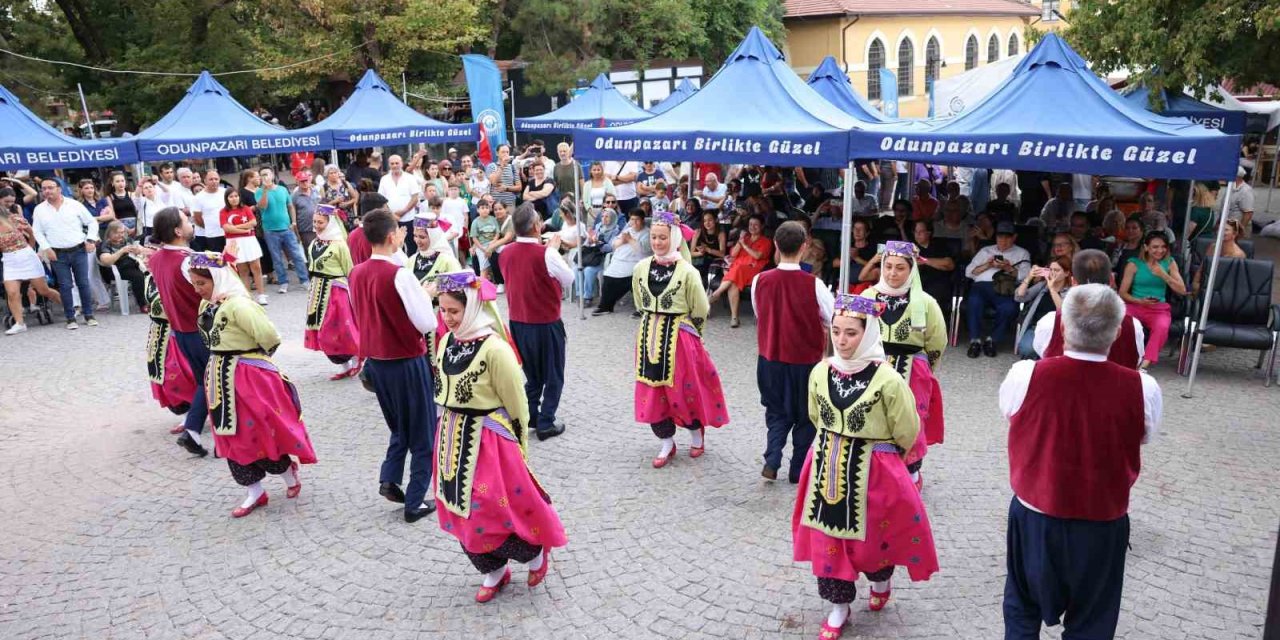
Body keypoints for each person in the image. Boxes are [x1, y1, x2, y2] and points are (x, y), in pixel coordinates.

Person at [1000, 284, 1161, 639]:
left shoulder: (1024, 375)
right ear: (1118, 331)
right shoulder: (1142, 386)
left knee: (1022, 604)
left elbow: (1011, 414)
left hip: (1035, 512)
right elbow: (1143, 435)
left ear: (1062, 327)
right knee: (1093, 618)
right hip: (1101, 520)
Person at [792, 294, 938, 640]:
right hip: (827, 462)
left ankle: (881, 579)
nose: (841, 341)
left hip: (875, 469)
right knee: (828, 537)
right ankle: (838, 606)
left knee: (874, 539)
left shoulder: (888, 379)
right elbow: (815, 415)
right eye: (837, 332)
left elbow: (907, 428)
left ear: (869, 332)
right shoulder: (820, 370)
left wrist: (884, 457)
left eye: (851, 333)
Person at [429, 269, 567, 602]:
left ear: (472, 306)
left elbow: (517, 403)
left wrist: (519, 448)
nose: (447, 318)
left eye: (454, 311)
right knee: (456, 511)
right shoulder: (446, 341)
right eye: (442, 310)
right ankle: (493, 571)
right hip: (450, 437)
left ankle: (533, 553)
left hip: (488, 442)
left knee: (486, 510)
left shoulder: (495, 349)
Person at [185, 251, 316, 517]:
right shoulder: (206, 305)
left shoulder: (239, 305)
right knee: (230, 435)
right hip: (218, 376)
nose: (197, 289)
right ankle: (254, 490)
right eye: (194, 283)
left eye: (202, 283)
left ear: (219, 278)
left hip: (246, 377)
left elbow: (269, 336)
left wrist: (254, 363)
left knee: (259, 430)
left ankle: (287, 473)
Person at [348, 209, 440, 522]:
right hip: (406, 361)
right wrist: (427, 294)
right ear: (392, 236)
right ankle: (415, 501)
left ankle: (389, 477)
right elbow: (426, 323)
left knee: (400, 425)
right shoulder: (400, 274)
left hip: (377, 361)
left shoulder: (357, 272)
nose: (403, 235)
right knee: (424, 430)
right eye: (400, 231)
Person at [633, 211, 729, 468]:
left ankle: (696, 433)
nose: (657, 242)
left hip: (680, 339)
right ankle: (666, 441)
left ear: (674, 238)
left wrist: (694, 335)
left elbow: (700, 308)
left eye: (662, 237)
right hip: (649, 337)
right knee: (653, 391)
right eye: (654, 237)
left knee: (684, 389)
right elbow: (639, 301)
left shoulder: (687, 271)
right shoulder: (641, 268)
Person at [751, 221, 832, 482]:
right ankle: (798, 468)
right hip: (805, 361)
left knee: (775, 411)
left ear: (775, 244)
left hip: (770, 358)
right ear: (805, 246)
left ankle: (772, 457)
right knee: (806, 415)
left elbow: (758, 313)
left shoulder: (759, 280)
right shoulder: (814, 284)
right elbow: (832, 319)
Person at [861, 240, 947, 485]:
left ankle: (910, 471)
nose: (892, 273)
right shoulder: (868, 296)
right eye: (888, 266)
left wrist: (924, 368)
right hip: (874, 368)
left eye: (900, 268)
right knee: (875, 417)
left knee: (910, 419)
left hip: (913, 370)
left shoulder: (926, 302)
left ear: (912, 270)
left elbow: (936, 341)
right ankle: (876, 470)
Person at [500, 204, 574, 441]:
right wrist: (551, 249)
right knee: (553, 374)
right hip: (545, 322)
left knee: (532, 374)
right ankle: (546, 422)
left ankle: (528, 414)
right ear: (536, 226)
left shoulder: (505, 252)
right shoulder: (547, 253)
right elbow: (569, 279)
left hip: (518, 323)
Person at [149, 207, 211, 456]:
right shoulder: (188, 260)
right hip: (199, 331)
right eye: (186, 221)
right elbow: (210, 289)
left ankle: (194, 428)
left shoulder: (157, 258)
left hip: (180, 333)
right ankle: (195, 430)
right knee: (213, 381)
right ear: (177, 231)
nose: (191, 224)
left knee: (204, 381)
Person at [1033, 249, 1145, 367]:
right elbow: (1135, 360)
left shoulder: (1050, 321)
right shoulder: (1133, 324)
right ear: (1111, 280)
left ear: (1073, 281)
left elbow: (1044, 354)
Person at [31, 177, 99, 330]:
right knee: (65, 285)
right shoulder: (39, 209)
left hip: (78, 249)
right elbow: (37, 231)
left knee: (83, 282)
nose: (47, 191)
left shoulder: (74, 205)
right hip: (57, 253)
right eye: (44, 188)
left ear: (59, 188)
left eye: (50, 187)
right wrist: (47, 248)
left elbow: (91, 222)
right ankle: (70, 317)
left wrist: (91, 240)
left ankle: (89, 315)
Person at [304, 207, 362, 381]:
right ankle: (344, 364)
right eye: (314, 222)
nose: (316, 226)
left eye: (320, 222)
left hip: (336, 291)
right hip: (317, 289)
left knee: (340, 328)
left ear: (330, 222)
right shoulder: (315, 243)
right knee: (323, 329)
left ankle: (356, 356)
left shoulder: (339, 245)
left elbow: (349, 269)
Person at [1119, 231, 1187, 369]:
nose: (1160, 250)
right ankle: (1124, 357)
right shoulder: (1134, 264)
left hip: (1158, 308)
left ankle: (1145, 363)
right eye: (1155, 247)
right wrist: (1139, 301)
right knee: (1122, 322)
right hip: (1135, 305)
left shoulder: (1169, 263)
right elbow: (1122, 293)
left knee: (1161, 327)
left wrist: (1163, 275)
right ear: (1146, 247)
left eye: (1163, 247)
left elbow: (1182, 290)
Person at [965, 223, 1032, 358]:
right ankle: (975, 340)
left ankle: (992, 340)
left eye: (1007, 237)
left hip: (1005, 287)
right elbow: (969, 272)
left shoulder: (1022, 253)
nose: (1003, 240)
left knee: (1008, 308)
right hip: (982, 286)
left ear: (1014, 237)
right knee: (973, 302)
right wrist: (988, 264)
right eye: (1000, 237)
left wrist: (1008, 268)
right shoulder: (985, 251)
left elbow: (1026, 276)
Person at [141, 270, 196, 418]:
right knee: (166, 376)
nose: (144, 255)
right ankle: (191, 416)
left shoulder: (179, 272)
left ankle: (195, 415)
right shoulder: (149, 277)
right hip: (159, 335)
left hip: (179, 332)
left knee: (183, 375)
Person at [1, 205, 61, 335]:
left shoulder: (15, 219)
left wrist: (32, 246)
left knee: (43, 290)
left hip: (26, 256)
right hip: (9, 260)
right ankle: (20, 323)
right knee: (12, 293)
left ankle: (69, 309)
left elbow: (33, 231)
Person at [709, 214, 772, 328]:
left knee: (737, 270)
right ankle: (734, 318)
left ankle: (717, 293)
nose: (752, 227)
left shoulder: (766, 241)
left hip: (753, 271)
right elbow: (733, 254)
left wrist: (745, 245)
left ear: (762, 226)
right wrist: (740, 242)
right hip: (737, 272)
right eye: (750, 224)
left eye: (756, 225)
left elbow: (757, 256)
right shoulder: (745, 239)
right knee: (734, 282)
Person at [255, 169, 309, 296]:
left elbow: (290, 206)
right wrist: (265, 190)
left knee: (297, 255)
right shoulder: (259, 191)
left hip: (286, 228)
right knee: (277, 258)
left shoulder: (282, 189)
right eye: (262, 174)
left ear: (272, 175)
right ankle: (283, 282)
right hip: (270, 230)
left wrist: (293, 222)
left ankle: (304, 280)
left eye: (267, 174)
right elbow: (262, 206)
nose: (265, 176)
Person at [593, 209, 651, 316]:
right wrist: (622, 241)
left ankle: (641, 308)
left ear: (642, 220)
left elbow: (644, 250)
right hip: (619, 261)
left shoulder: (647, 233)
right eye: (632, 219)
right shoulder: (628, 230)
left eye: (637, 220)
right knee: (608, 275)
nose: (634, 222)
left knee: (629, 279)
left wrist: (630, 240)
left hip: (635, 262)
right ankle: (606, 306)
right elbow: (614, 244)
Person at [219, 189, 267, 305]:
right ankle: (247, 296)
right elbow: (226, 228)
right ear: (227, 198)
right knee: (243, 270)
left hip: (249, 241)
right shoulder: (223, 211)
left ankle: (261, 295)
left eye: (236, 196)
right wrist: (244, 229)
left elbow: (253, 223)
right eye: (231, 196)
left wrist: (235, 227)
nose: (234, 198)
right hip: (234, 242)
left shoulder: (245, 208)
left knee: (257, 268)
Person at [96, 221, 147, 310]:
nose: (121, 235)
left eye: (122, 232)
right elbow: (107, 261)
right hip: (112, 271)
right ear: (110, 233)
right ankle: (143, 305)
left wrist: (138, 251)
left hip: (128, 268)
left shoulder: (126, 240)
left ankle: (151, 301)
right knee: (138, 275)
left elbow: (142, 250)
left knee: (146, 272)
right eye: (117, 233)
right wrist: (122, 251)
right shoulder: (104, 245)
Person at [377, 155, 422, 232]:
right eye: (392, 163)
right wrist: (392, 215)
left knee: (409, 243)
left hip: (409, 218)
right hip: (390, 220)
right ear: (389, 165)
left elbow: (415, 198)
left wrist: (403, 211)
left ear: (401, 163)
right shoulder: (384, 179)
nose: (394, 165)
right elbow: (381, 200)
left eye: (397, 163)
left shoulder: (410, 178)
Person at [192, 170, 227, 253]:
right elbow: (197, 218)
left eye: (216, 179)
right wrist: (210, 226)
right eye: (211, 179)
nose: (214, 181)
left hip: (229, 233)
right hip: (212, 235)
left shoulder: (226, 192)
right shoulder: (198, 197)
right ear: (205, 181)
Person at [690, 210, 727, 289]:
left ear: (715, 220)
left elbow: (722, 253)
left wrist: (708, 249)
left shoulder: (720, 233)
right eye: (705, 221)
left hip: (713, 260)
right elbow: (691, 253)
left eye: (710, 220)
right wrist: (701, 252)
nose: (707, 223)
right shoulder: (698, 232)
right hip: (699, 259)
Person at [292, 172, 320, 248]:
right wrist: (296, 232)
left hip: (319, 226)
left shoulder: (315, 191)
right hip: (306, 229)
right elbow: (293, 214)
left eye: (306, 180)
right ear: (297, 182)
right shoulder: (295, 196)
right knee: (310, 251)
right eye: (302, 181)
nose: (305, 183)